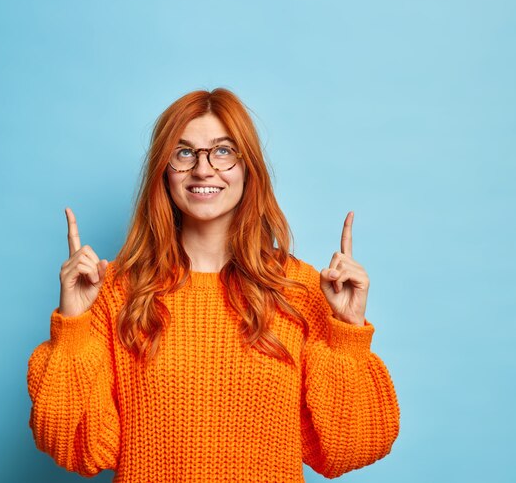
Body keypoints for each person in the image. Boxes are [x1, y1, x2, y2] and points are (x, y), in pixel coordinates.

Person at [26, 87, 400, 482]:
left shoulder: (298, 289)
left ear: (248, 167)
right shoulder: (117, 291)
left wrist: (348, 333)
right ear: (164, 170)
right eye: (184, 152)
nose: (203, 169)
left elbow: (350, 447)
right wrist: (72, 326)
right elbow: (73, 445)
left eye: (223, 151)